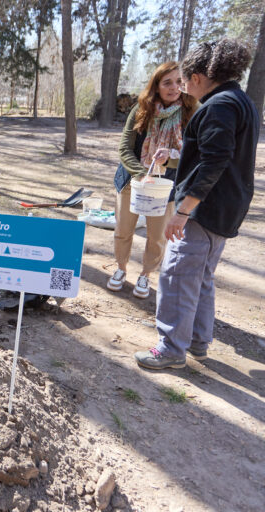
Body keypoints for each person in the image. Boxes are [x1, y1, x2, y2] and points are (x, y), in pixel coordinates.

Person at [135, 39, 259, 370]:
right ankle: (196, 341)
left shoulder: (219, 106)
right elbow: (217, 154)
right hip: (225, 207)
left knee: (177, 275)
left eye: (185, 80)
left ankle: (171, 348)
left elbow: (214, 162)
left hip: (204, 209)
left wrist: (183, 211)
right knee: (200, 276)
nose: (183, 87)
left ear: (199, 77)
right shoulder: (241, 101)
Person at [108, 62, 198, 299]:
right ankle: (120, 268)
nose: (174, 87)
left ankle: (145, 274)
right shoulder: (141, 109)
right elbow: (124, 149)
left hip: (165, 185)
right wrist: (141, 174)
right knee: (123, 230)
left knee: (157, 236)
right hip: (133, 179)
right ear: (156, 86)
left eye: (178, 82)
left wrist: (170, 158)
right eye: (167, 82)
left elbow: (193, 155)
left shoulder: (191, 112)